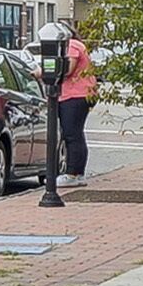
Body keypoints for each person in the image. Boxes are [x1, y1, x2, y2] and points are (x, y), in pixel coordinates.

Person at [43, 20, 98, 183]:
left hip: (75, 95)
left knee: (72, 134)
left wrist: (42, 72)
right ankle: (76, 173)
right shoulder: (76, 45)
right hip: (77, 94)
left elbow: (67, 69)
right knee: (75, 134)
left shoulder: (72, 45)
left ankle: (73, 173)